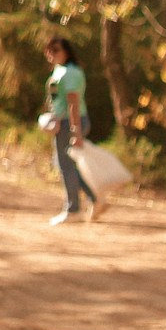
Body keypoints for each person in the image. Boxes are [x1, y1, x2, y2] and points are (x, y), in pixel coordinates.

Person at [39, 36, 97, 227]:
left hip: (71, 123)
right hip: (63, 123)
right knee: (64, 164)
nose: (51, 54)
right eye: (49, 50)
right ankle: (94, 198)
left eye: (56, 50)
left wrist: (75, 131)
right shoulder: (60, 70)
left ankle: (73, 209)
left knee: (65, 165)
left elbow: (73, 104)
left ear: (66, 51)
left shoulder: (70, 72)